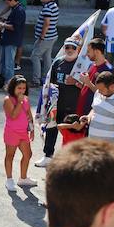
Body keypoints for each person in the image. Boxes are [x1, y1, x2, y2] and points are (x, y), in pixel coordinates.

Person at [36, 37, 82, 167]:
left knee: (71, 132)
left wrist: (76, 83)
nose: (69, 50)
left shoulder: (82, 64)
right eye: (67, 47)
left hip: (73, 105)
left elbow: (87, 87)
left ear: (78, 49)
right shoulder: (57, 63)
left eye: (73, 47)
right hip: (56, 104)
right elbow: (50, 82)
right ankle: (48, 156)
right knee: (51, 129)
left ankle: (71, 159)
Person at [2, 75, 36, 191]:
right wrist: (20, 102)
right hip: (12, 132)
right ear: (13, 88)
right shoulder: (8, 100)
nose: (22, 91)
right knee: (10, 156)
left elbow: (29, 115)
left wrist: (32, 129)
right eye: (19, 88)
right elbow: (13, 115)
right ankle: (9, 179)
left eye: (23, 88)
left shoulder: (25, 99)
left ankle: (23, 178)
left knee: (28, 154)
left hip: (23, 133)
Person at [85, 71, 114, 145]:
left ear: (111, 87)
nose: (98, 92)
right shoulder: (98, 92)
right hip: (91, 145)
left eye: (101, 90)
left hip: (107, 150)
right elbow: (94, 109)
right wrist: (88, 116)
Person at [75, 38, 114, 116]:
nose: (86, 54)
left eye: (89, 51)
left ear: (97, 51)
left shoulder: (108, 70)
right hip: (82, 108)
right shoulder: (93, 65)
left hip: (91, 112)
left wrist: (88, 83)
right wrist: (82, 85)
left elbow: (105, 93)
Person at [31, 0, 59, 85]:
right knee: (47, 56)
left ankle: (36, 80)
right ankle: (47, 78)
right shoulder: (54, 6)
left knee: (35, 56)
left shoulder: (47, 8)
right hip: (52, 36)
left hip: (46, 37)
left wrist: (41, 36)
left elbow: (46, 23)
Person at [0, 0, 25, 83]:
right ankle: (1, 80)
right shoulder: (15, 9)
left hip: (12, 40)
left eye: (7, 2)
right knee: (2, 62)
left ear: (12, 0)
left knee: (9, 63)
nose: (7, 4)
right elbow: (11, 23)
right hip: (6, 39)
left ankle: (8, 83)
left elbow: (14, 27)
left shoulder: (19, 11)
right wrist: (4, 21)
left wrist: (3, 25)